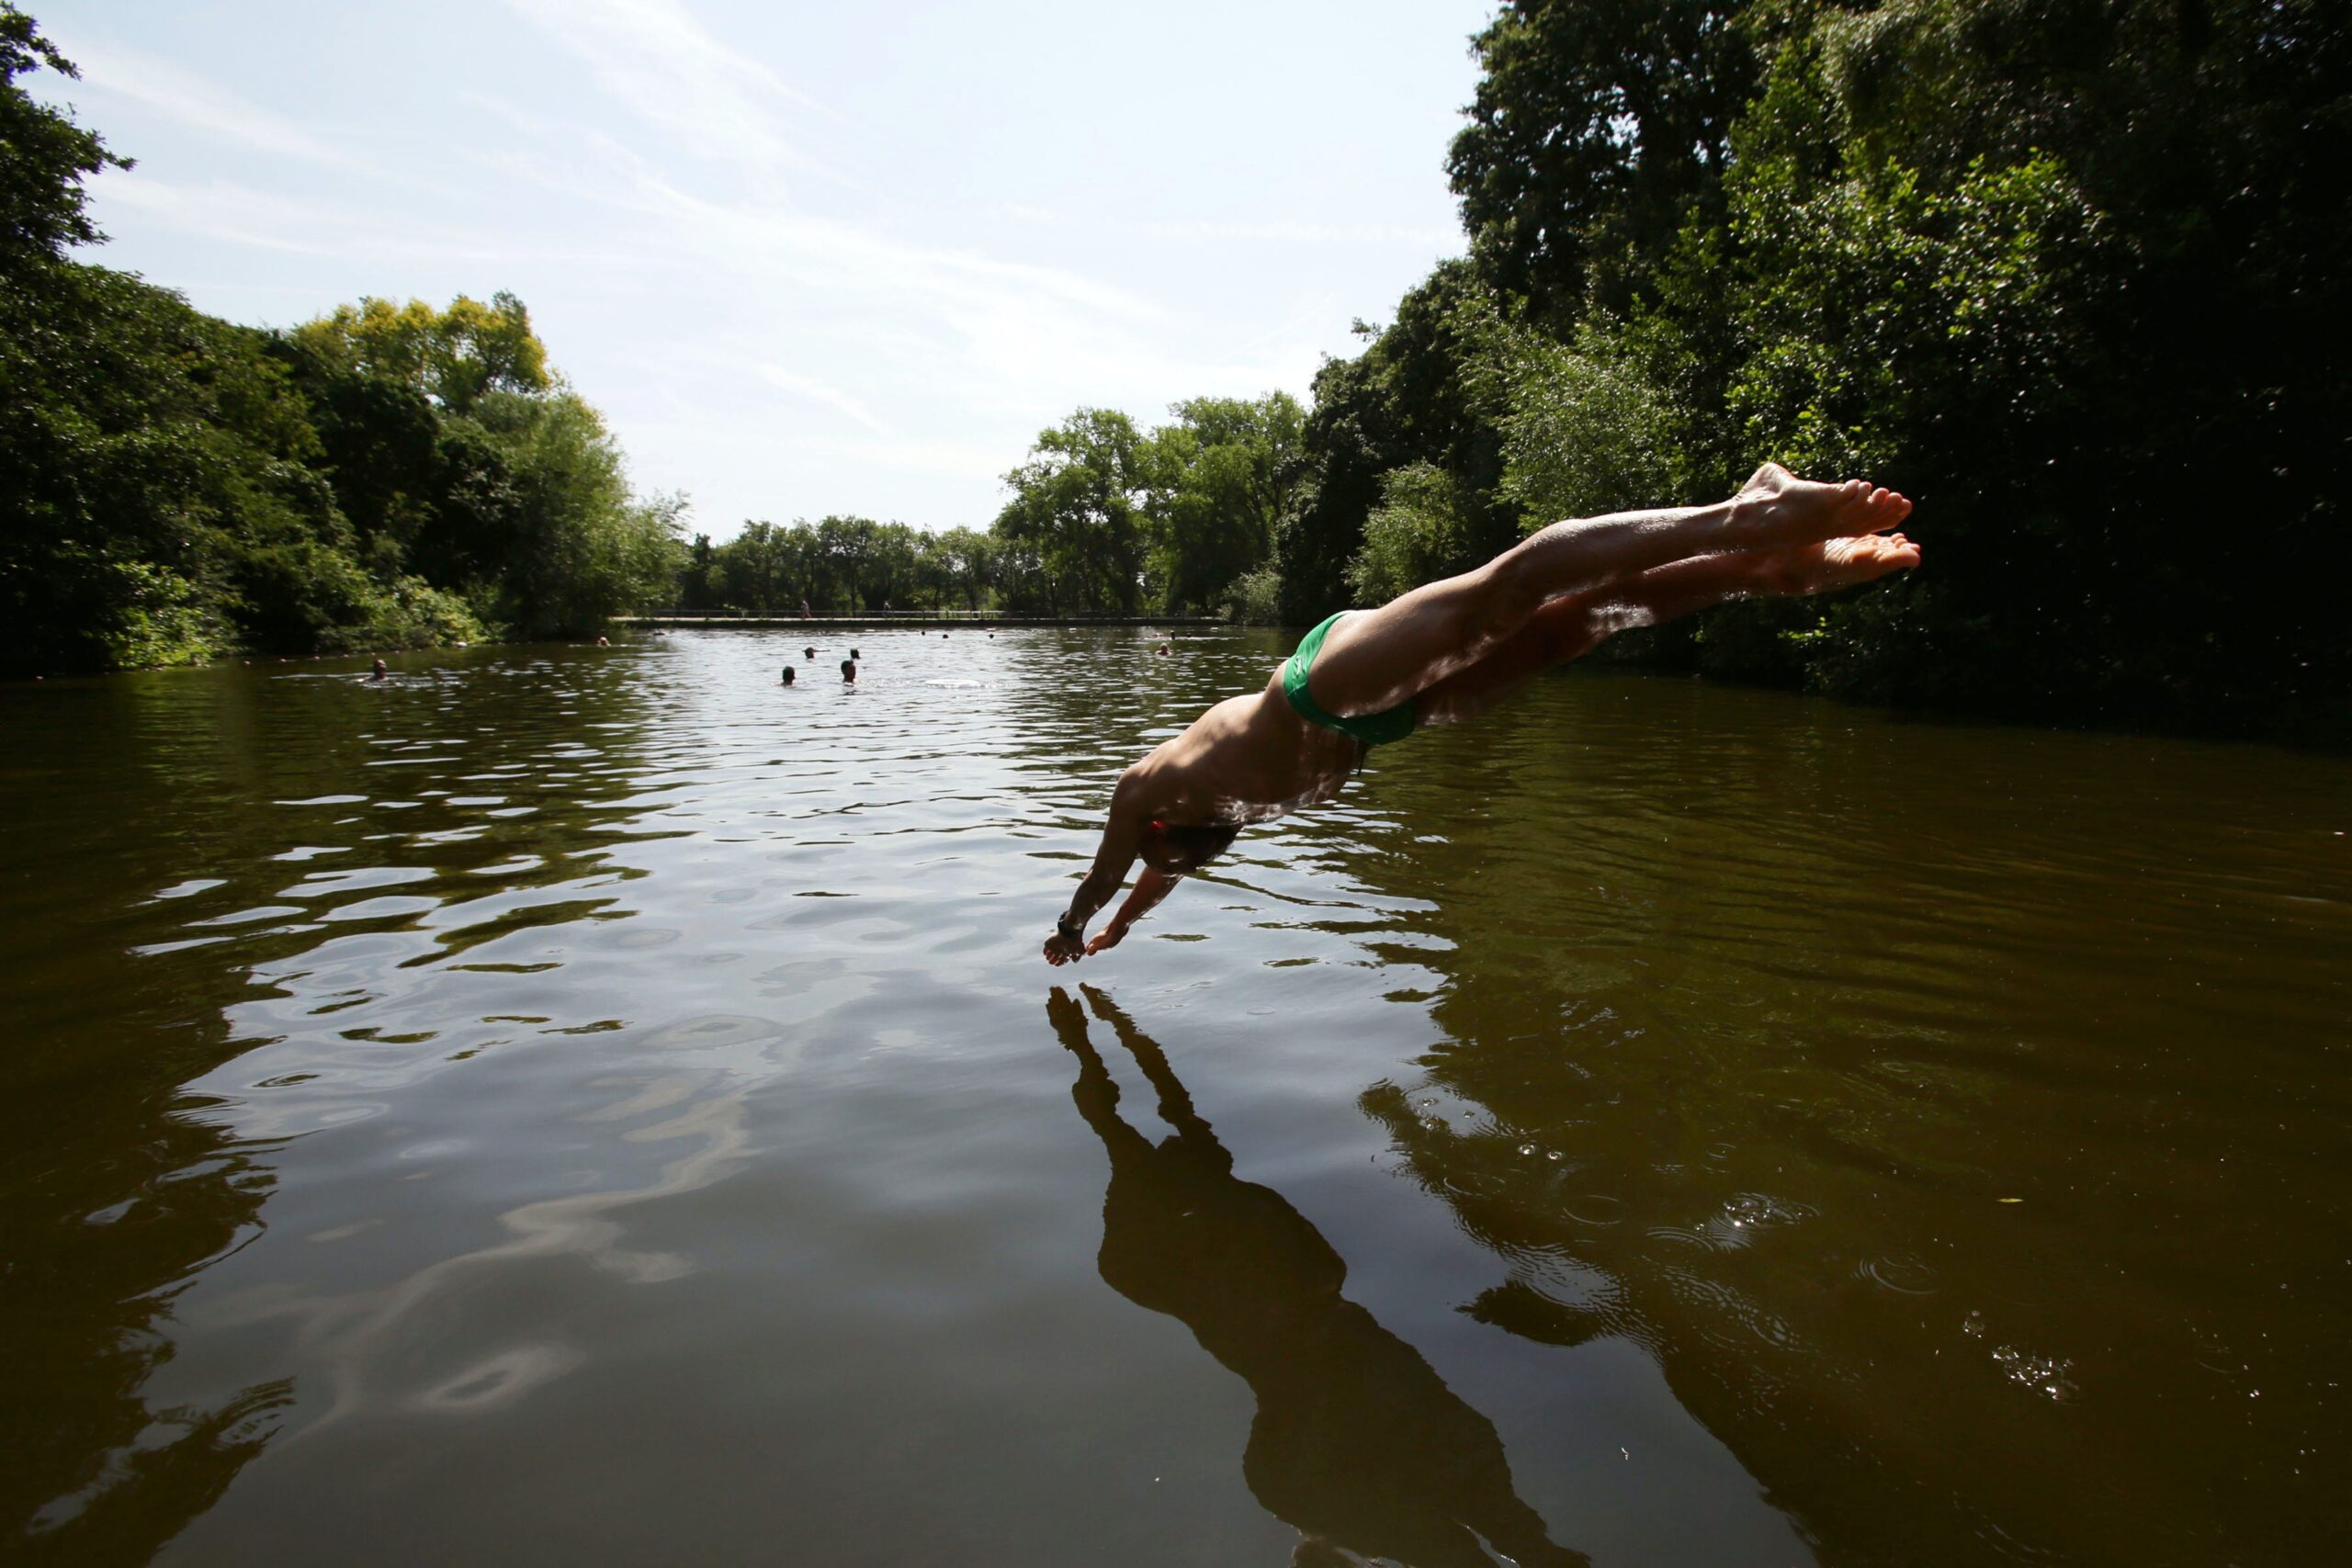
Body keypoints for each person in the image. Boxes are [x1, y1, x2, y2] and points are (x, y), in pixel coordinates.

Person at [1045, 463, 1917, 964]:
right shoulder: (1196, 827)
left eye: (1162, 856)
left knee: (1509, 594)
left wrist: (1073, 925)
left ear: (1157, 827)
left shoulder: (1143, 789)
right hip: (1384, 722)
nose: (1170, 863)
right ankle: (1759, 570)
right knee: (1571, 629)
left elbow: (1108, 872)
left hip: (1323, 685)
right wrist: (1120, 932)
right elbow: (1152, 883)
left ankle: (1748, 515)